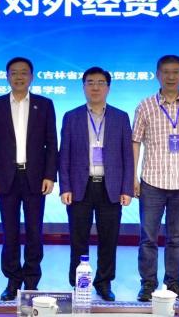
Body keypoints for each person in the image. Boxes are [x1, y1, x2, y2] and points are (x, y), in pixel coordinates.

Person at [132, 55, 179, 301]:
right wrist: (133, 176)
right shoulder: (145, 106)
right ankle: (148, 284)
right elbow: (135, 142)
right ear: (157, 75)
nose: (171, 77)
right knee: (148, 238)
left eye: (176, 72)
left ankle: (173, 283)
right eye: (166, 72)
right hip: (152, 181)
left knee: (177, 238)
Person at [0, 57, 58, 300]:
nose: (19, 77)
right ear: (7, 76)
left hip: (35, 176)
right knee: (10, 232)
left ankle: (32, 280)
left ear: (31, 77)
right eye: (14, 73)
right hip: (6, 176)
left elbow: (51, 143)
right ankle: (13, 280)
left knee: (35, 231)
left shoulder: (44, 105)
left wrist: (50, 175)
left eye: (24, 72)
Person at [58, 67, 134, 302]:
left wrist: (127, 188)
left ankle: (104, 282)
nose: (95, 87)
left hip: (111, 187)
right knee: (78, 238)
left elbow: (127, 155)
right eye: (90, 82)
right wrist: (65, 186)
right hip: (80, 186)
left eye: (101, 83)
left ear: (108, 88)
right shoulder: (71, 116)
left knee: (109, 238)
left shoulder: (121, 117)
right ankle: (78, 283)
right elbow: (64, 155)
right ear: (83, 87)